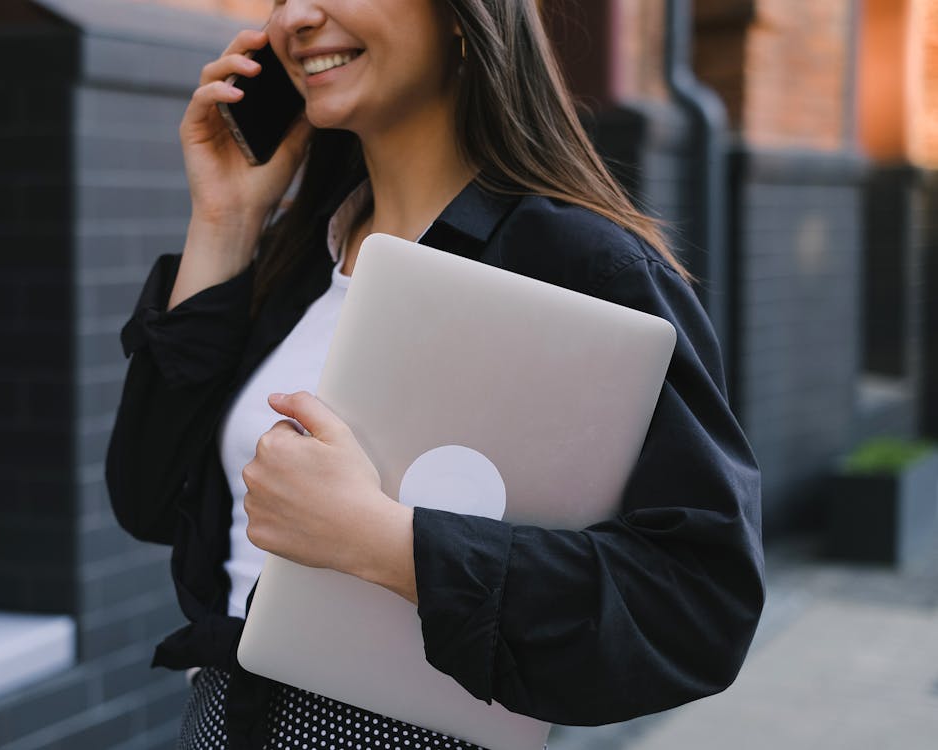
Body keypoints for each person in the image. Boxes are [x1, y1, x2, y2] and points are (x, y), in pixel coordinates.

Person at [105, 0, 765, 748]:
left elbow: (697, 609)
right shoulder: (298, 260)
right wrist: (223, 223)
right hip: (222, 721)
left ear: (461, 15)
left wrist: (382, 542)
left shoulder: (581, 267)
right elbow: (146, 500)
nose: (295, 18)